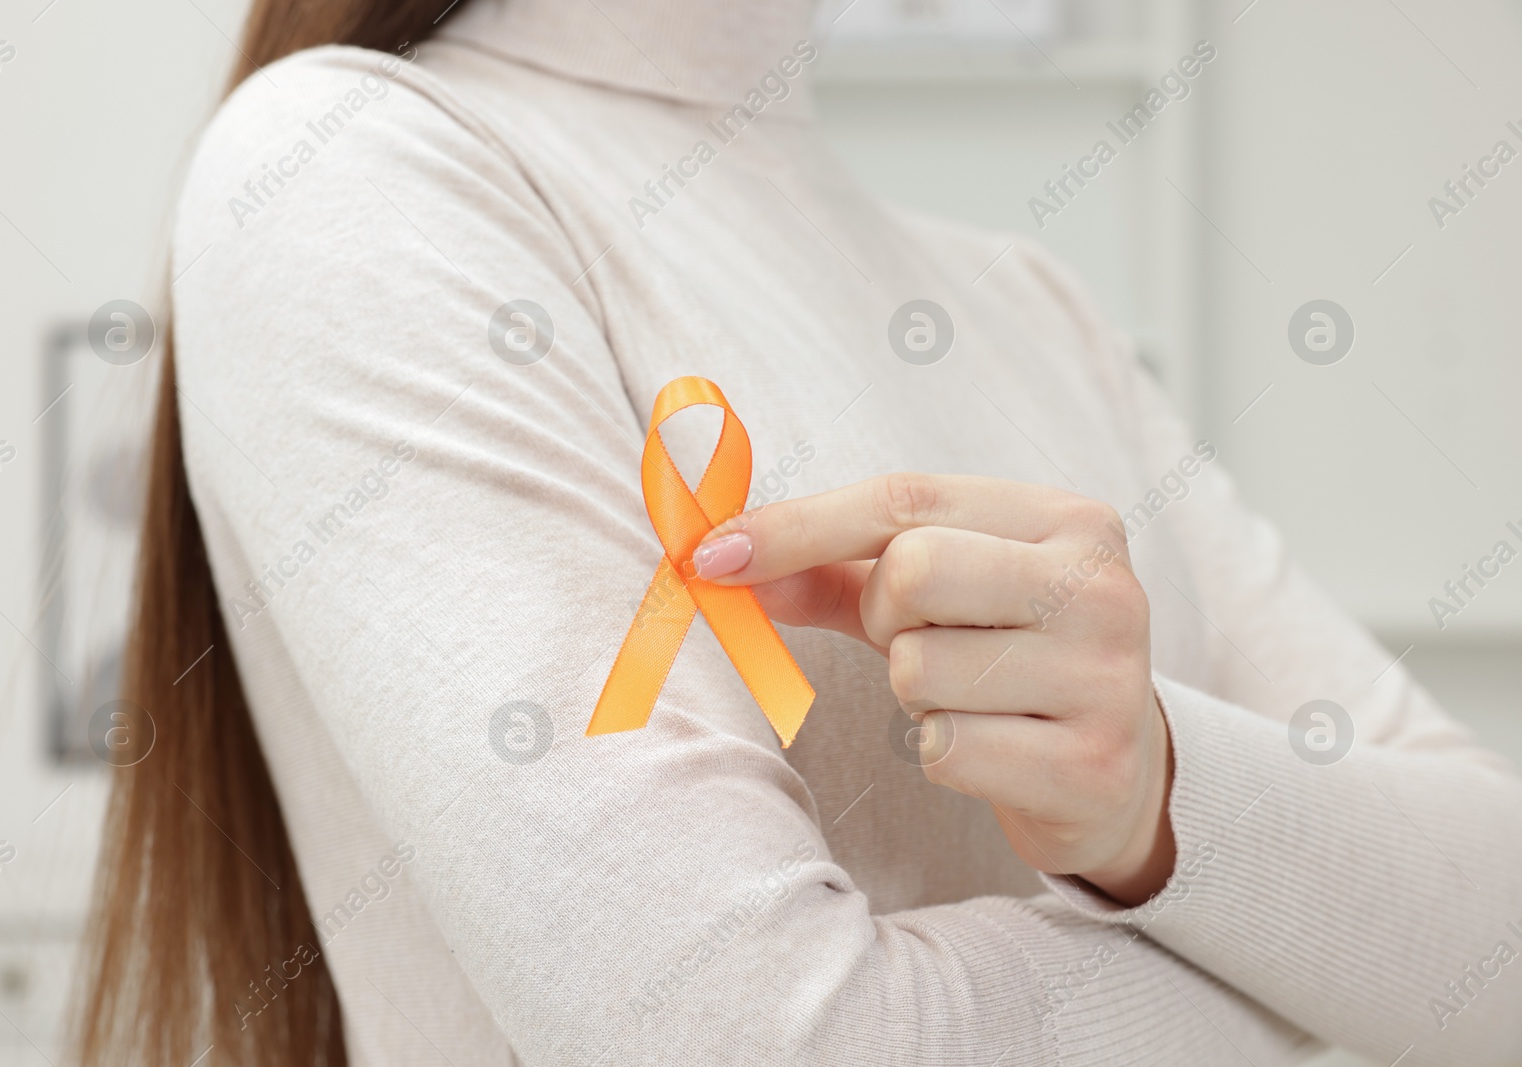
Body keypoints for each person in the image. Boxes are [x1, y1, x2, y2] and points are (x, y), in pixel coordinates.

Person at [76, 0, 1522, 1063]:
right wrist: (1312, 957)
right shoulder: (356, 168)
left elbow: (1499, 939)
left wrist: (1156, 805)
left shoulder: (1032, 304)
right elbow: (756, 1042)